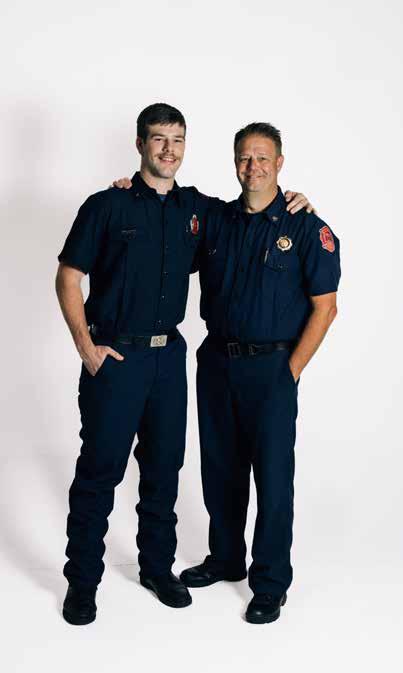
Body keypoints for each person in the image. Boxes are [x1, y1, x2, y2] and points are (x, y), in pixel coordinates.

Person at [56, 103, 313, 625]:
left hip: (169, 360)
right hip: (116, 358)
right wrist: (86, 347)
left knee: (163, 469)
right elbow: (68, 277)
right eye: (158, 139)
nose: (168, 150)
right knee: (100, 471)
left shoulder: (198, 212)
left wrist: (296, 203)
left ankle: (156, 567)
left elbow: (252, 208)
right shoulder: (107, 205)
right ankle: (82, 582)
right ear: (140, 144)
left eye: (177, 140)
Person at [178, 122, 341, 624]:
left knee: (272, 477)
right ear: (234, 163)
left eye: (263, 157)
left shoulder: (306, 227)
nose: (254, 167)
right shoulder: (215, 219)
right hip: (217, 362)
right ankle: (226, 559)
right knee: (220, 469)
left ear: (280, 163)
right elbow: (164, 201)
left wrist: (290, 372)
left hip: (272, 368)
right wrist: (125, 187)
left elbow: (326, 308)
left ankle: (269, 582)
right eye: (245, 158)